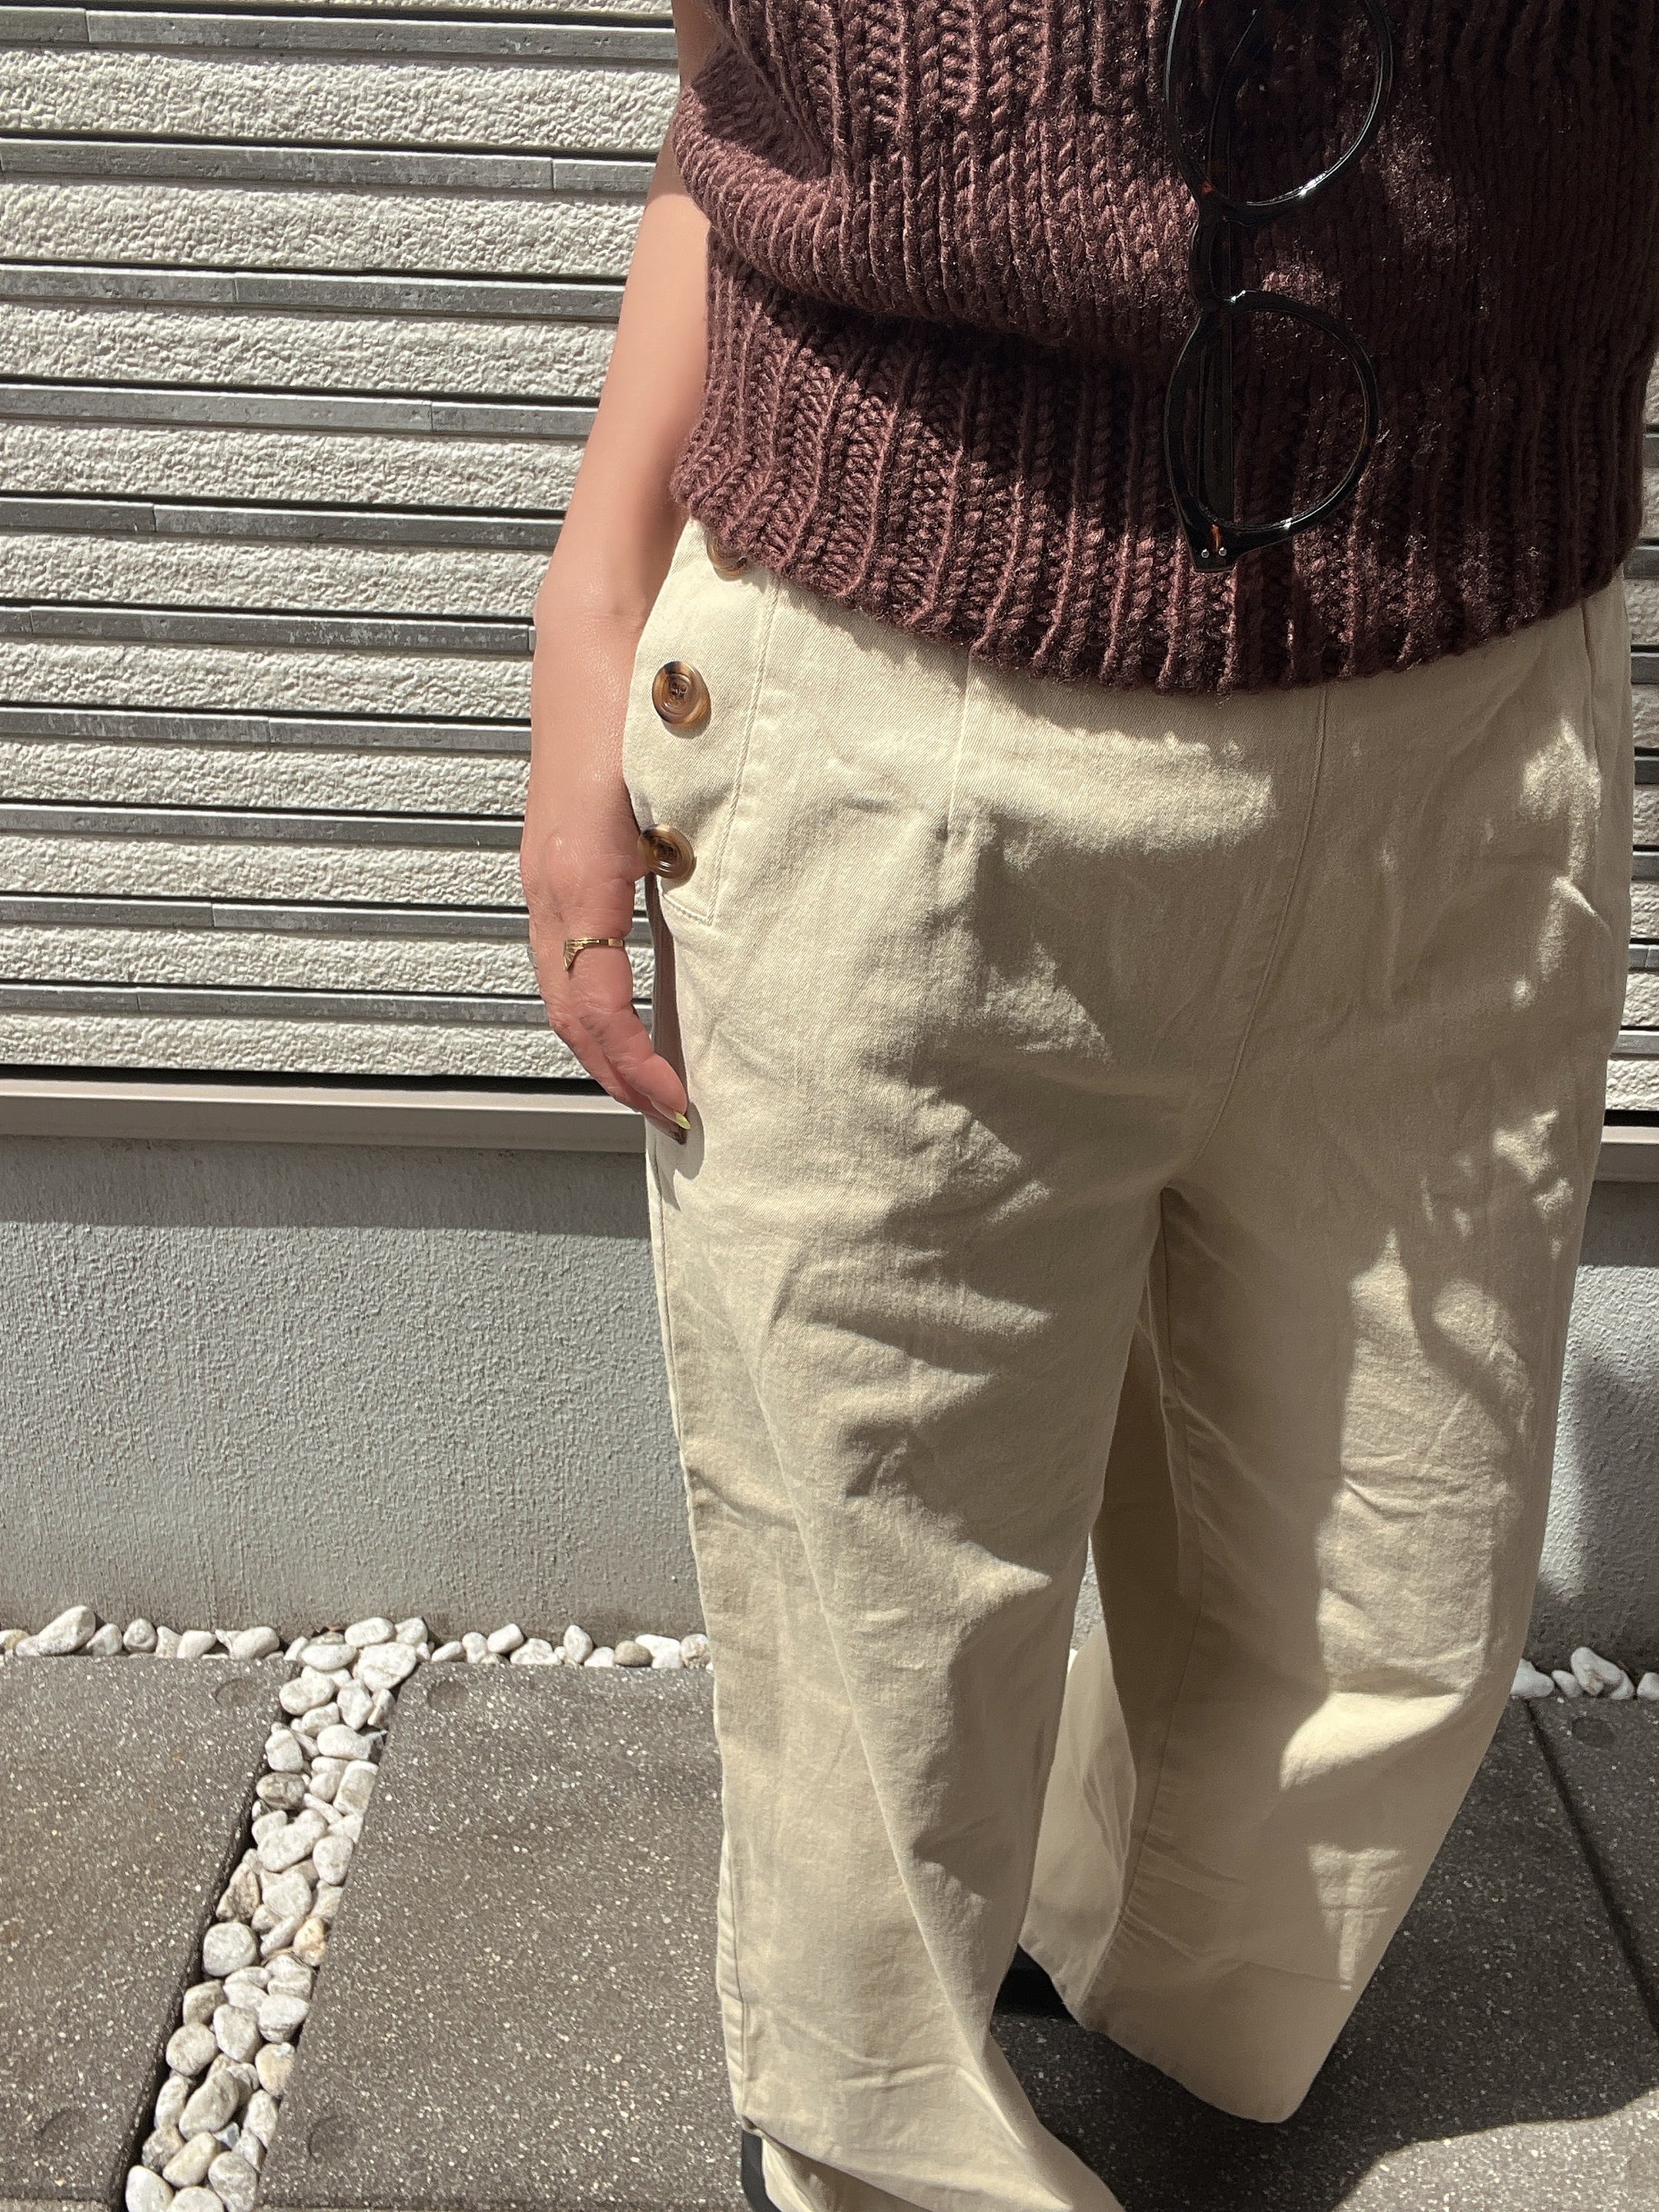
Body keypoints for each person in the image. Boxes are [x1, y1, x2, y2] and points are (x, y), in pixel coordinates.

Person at [520, 3, 1658, 2208]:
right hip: (892, 713)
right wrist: (591, 606)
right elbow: (736, 83)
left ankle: (1138, 1971)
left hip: (1468, 728)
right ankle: (881, 2144)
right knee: (880, 1628)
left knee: (1391, 1626)